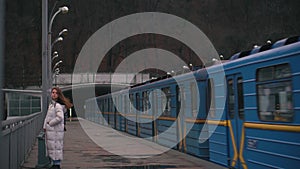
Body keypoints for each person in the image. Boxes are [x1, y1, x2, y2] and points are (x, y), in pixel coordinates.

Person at [43, 87, 72, 169]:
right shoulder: (52, 105)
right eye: (53, 92)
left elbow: (60, 117)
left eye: (56, 93)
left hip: (55, 131)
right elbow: (48, 116)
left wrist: (50, 124)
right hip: (53, 131)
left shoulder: (57, 105)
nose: (54, 94)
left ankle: (56, 164)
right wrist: (45, 126)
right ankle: (55, 163)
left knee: (55, 147)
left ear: (59, 95)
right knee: (54, 147)